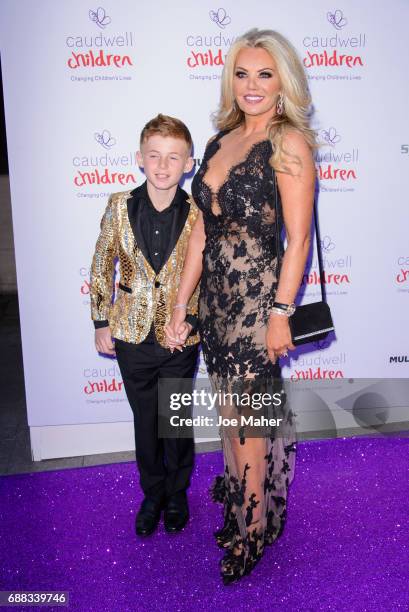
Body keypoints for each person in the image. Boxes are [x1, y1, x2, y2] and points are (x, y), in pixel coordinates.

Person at [166, 29, 316, 584]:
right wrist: (183, 304)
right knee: (230, 419)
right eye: (242, 74)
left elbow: (297, 240)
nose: (251, 86)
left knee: (249, 422)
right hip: (217, 305)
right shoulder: (217, 141)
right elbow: (201, 236)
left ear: (283, 82)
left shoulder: (288, 143)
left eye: (265, 74)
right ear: (231, 79)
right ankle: (244, 510)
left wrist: (280, 312)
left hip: (258, 306)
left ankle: (252, 530)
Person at [90, 114, 200, 537]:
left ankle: (177, 493)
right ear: (139, 158)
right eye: (154, 155)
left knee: (174, 420)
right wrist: (101, 319)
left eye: (173, 157)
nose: (162, 165)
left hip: (178, 337)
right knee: (145, 421)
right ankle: (152, 494)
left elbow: (204, 274)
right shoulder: (119, 205)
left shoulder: (197, 212)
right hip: (131, 335)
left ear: (188, 163)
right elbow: (102, 264)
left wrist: (188, 319)